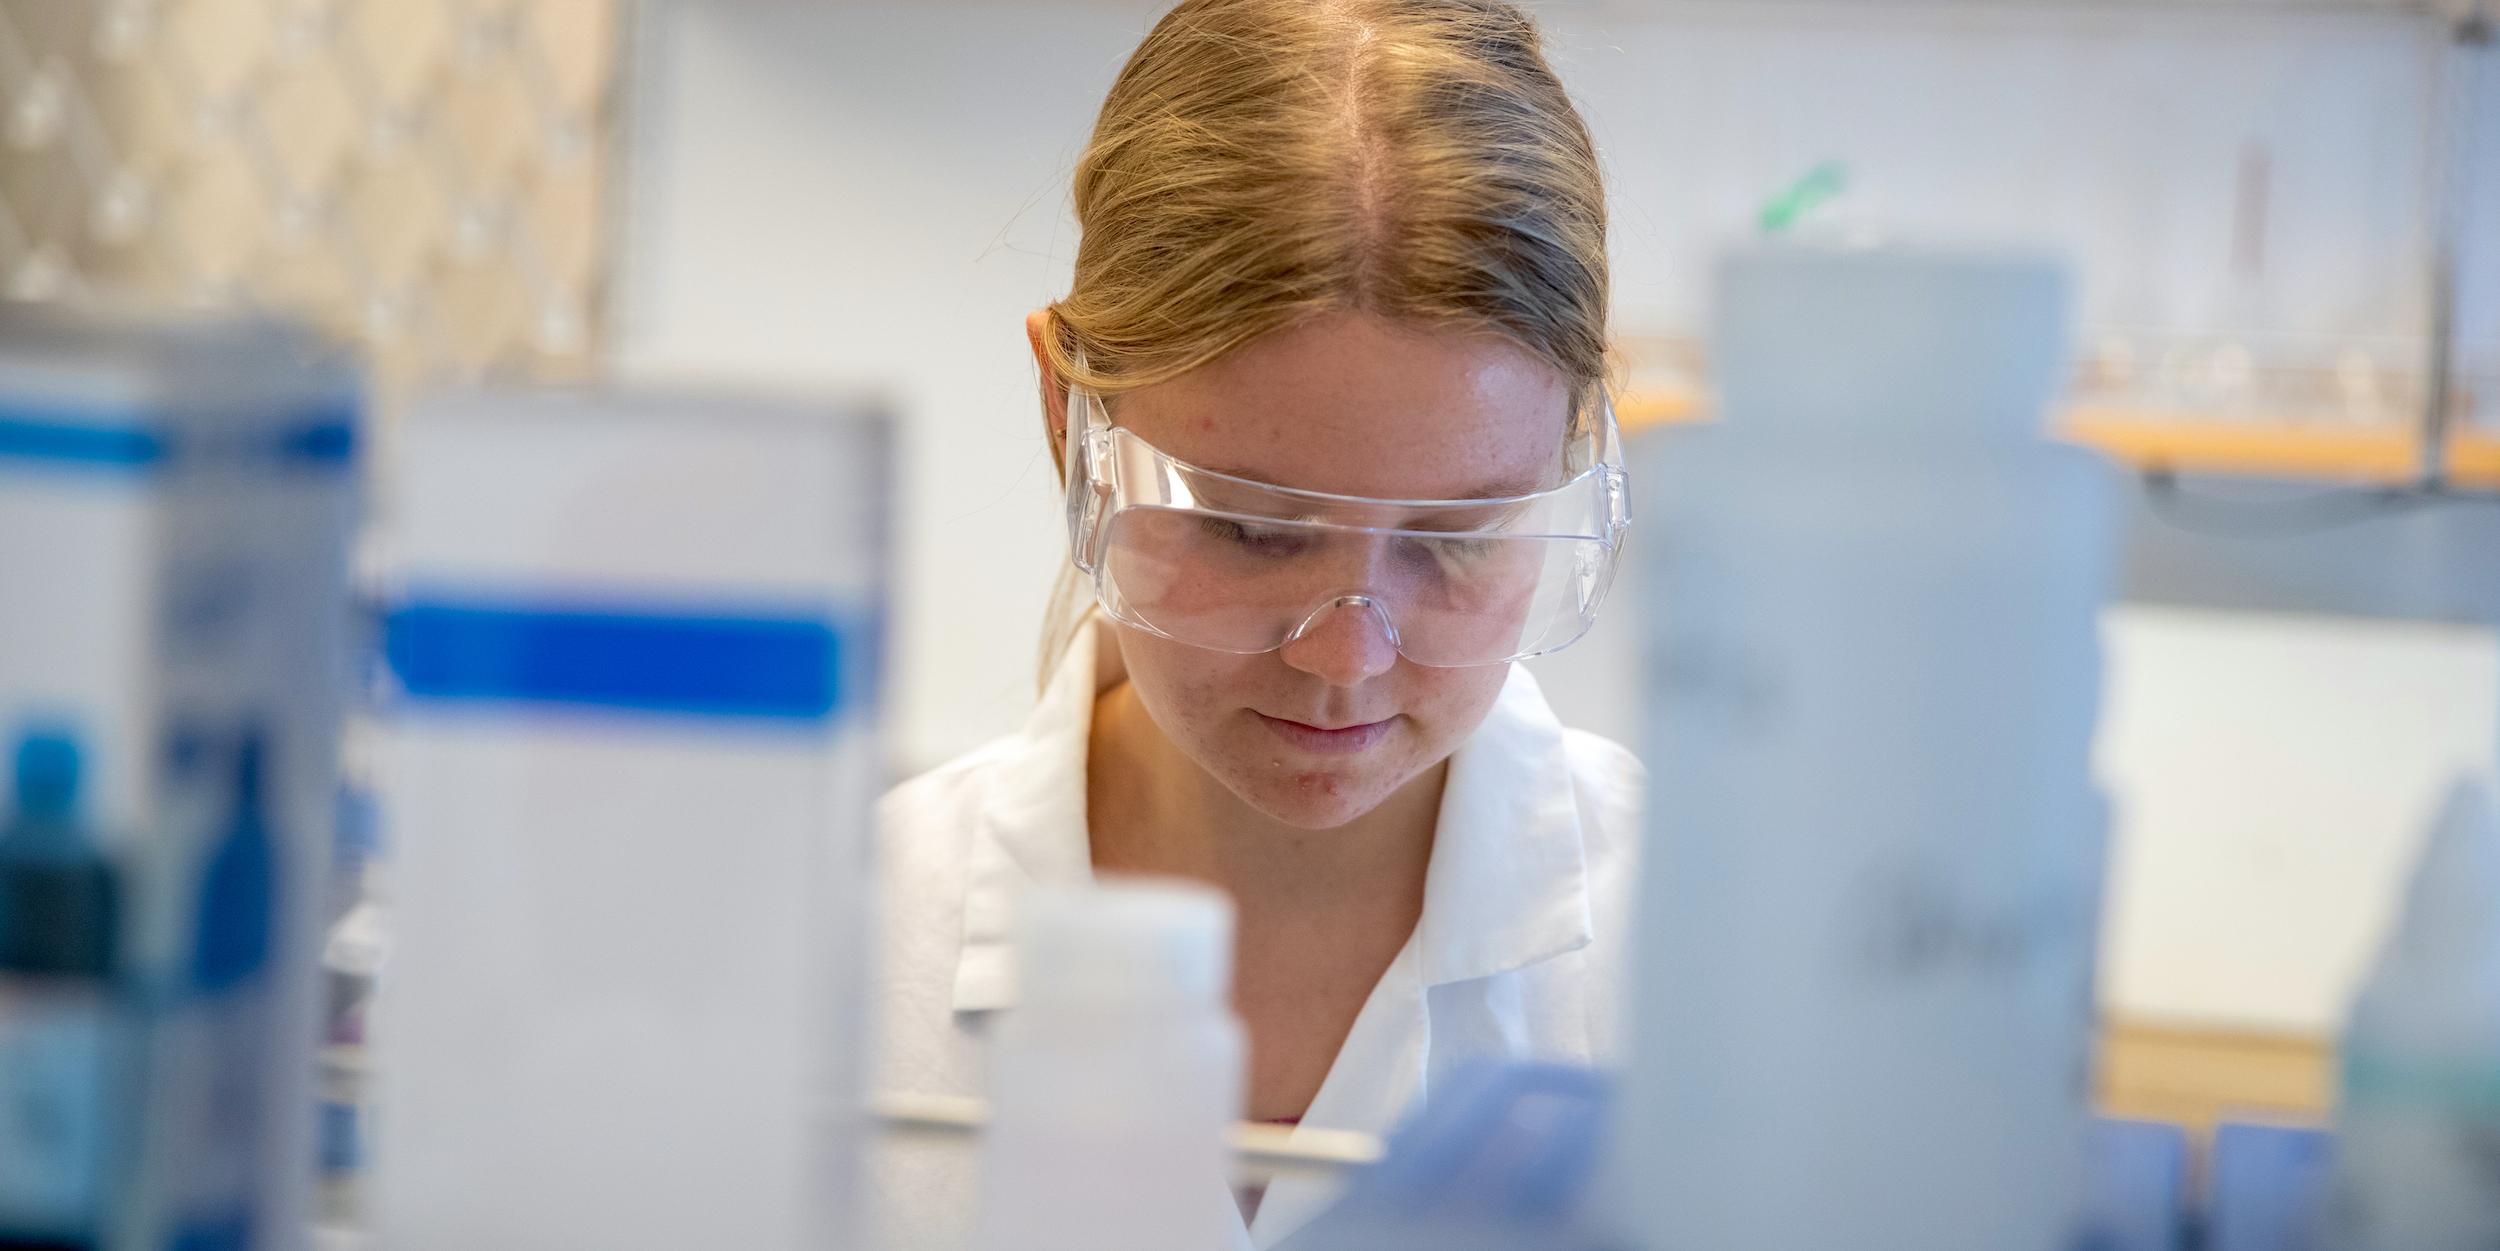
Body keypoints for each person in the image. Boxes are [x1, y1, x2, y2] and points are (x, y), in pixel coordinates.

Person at [869, 1, 1642, 1246]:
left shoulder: (1715, 976)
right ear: (1071, 425)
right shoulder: (843, 953)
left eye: (1455, 540)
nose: (1346, 658)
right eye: (1247, 527)